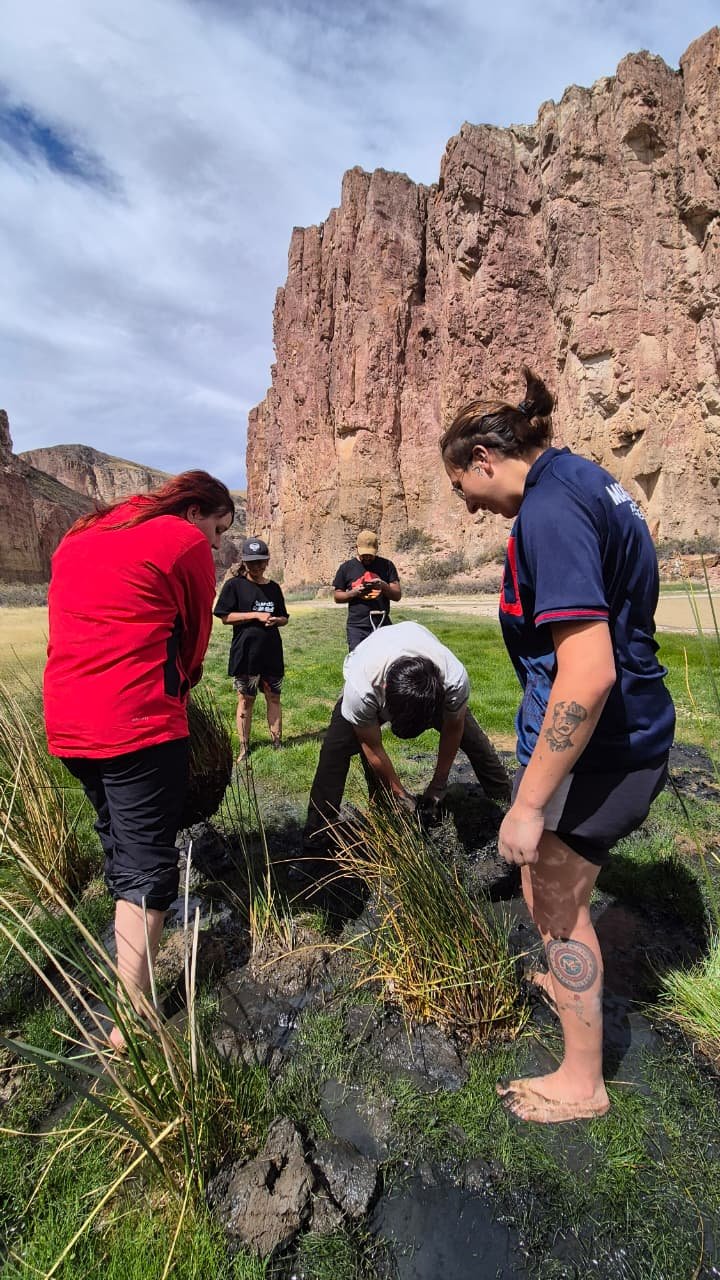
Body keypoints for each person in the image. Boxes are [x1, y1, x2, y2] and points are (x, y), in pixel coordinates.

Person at [440, 366, 675, 1124]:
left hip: (606, 747)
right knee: (554, 886)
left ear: (483, 458)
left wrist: (527, 803)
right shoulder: (586, 479)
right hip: (628, 729)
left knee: (558, 905)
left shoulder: (546, 513)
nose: (470, 506)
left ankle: (583, 1080)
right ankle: (567, 985)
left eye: (462, 487)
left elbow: (588, 671)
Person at [43, 471, 235, 1049]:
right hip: (134, 722)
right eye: (220, 529)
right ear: (196, 510)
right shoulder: (183, 543)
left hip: (67, 723)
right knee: (150, 865)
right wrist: (182, 687)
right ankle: (131, 1019)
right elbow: (195, 640)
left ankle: (125, 963)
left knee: (119, 844)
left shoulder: (80, 534)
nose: (219, 545)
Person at [303, 620, 511, 854]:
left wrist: (438, 785)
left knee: (473, 739)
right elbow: (372, 747)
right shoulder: (362, 689)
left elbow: (453, 729)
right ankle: (318, 829)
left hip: (422, 670)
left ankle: (504, 800)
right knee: (335, 749)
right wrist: (400, 794)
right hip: (372, 666)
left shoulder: (454, 680)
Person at [213, 536, 289, 761]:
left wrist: (277, 621)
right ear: (245, 562)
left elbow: (284, 617)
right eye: (252, 562)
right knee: (246, 699)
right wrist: (254, 615)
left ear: (267, 561)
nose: (257, 566)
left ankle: (277, 742)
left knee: (274, 697)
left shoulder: (274, 588)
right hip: (246, 653)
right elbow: (225, 617)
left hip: (272, 652)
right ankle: (244, 748)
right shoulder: (234, 585)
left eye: (260, 562)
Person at [333, 530, 401, 650]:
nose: (367, 557)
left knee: (384, 662)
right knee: (357, 662)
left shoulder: (387, 566)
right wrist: (353, 593)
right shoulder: (346, 568)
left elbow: (397, 596)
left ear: (377, 549)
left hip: (382, 623)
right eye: (364, 554)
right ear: (356, 548)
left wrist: (383, 586)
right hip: (357, 627)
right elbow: (337, 597)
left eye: (370, 554)